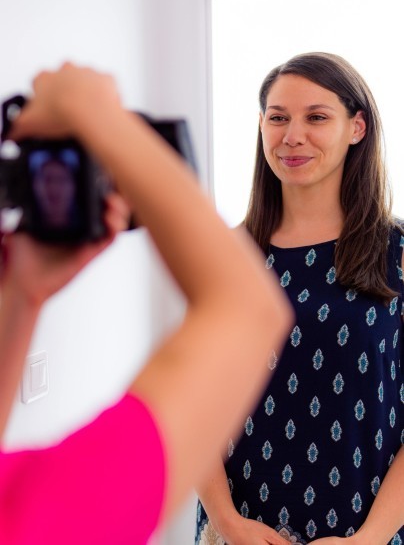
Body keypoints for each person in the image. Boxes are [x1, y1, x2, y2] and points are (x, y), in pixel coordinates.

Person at [0, 63, 292, 544]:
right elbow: (249, 309)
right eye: (277, 117)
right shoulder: (36, 518)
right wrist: (91, 108)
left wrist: (21, 294)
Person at [196, 52, 404, 545]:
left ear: (357, 128)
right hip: (240, 531)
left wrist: (368, 539)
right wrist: (227, 522)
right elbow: (193, 404)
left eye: (316, 117)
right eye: (278, 117)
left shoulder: (397, 252)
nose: (292, 135)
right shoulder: (225, 255)